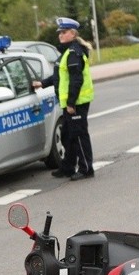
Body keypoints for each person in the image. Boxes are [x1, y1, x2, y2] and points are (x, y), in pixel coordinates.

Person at [32, 17, 95, 181]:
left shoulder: (74, 53)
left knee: (79, 135)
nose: (60, 35)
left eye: (64, 32)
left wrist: (71, 103)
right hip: (70, 103)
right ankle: (68, 167)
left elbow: (76, 80)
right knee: (67, 134)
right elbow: (59, 76)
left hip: (77, 103)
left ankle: (86, 168)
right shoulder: (67, 52)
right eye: (60, 32)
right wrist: (43, 83)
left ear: (73, 34)